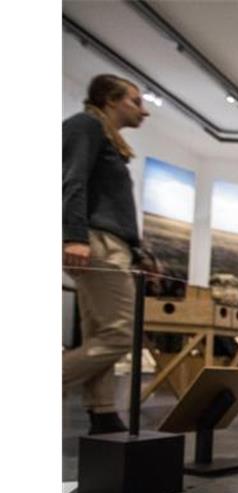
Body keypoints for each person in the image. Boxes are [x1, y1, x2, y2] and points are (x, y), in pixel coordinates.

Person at [62, 74, 149, 434]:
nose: (143, 111)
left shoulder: (107, 139)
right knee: (120, 334)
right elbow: (70, 179)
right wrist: (74, 237)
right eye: (135, 101)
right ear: (110, 101)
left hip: (111, 243)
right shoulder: (85, 126)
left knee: (101, 331)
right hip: (97, 243)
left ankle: (102, 412)